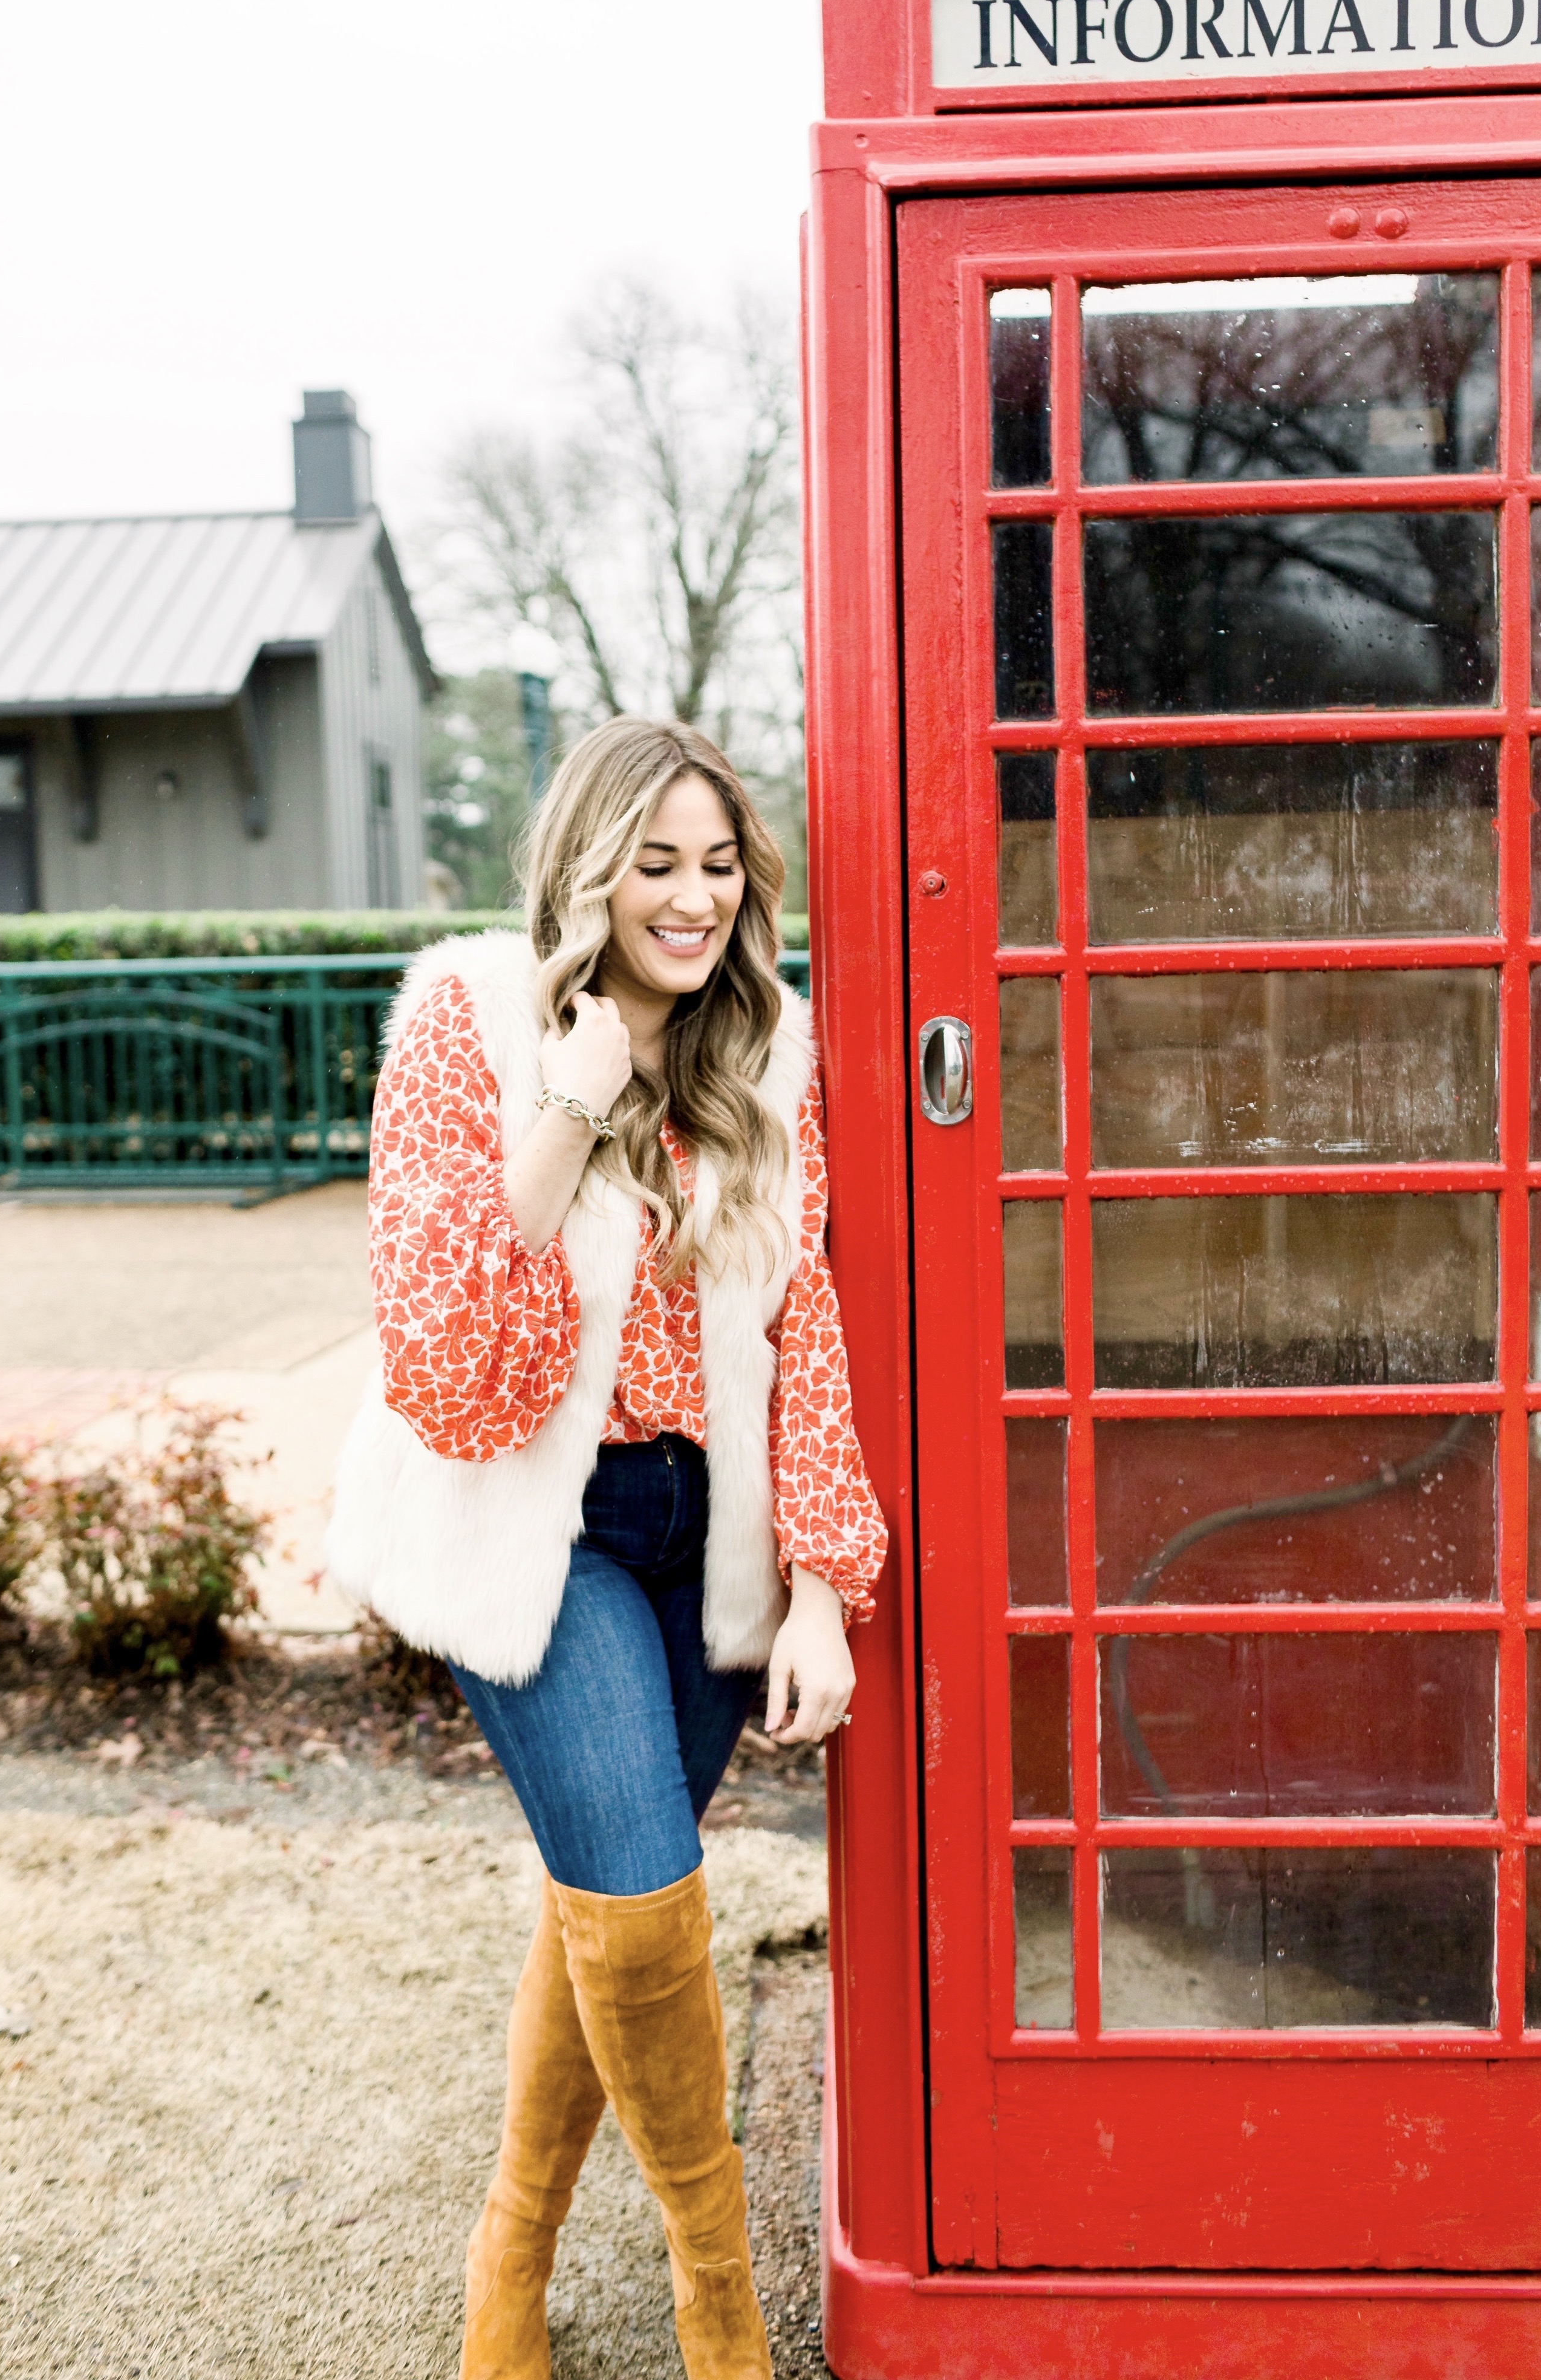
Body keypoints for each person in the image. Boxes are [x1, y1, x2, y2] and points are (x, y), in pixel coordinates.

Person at [328, 716, 887, 2380]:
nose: (692, 899)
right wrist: (568, 1110)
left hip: (697, 1538)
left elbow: (809, 1324)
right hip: (535, 1530)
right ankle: (717, 2300)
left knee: (602, 1898)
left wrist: (823, 1585)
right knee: (642, 1901)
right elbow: (447, 1363)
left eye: (720, 865)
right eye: (655, 862)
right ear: (588, 866)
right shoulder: (468, 1023)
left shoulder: (769, 1053)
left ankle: (510, 2245)